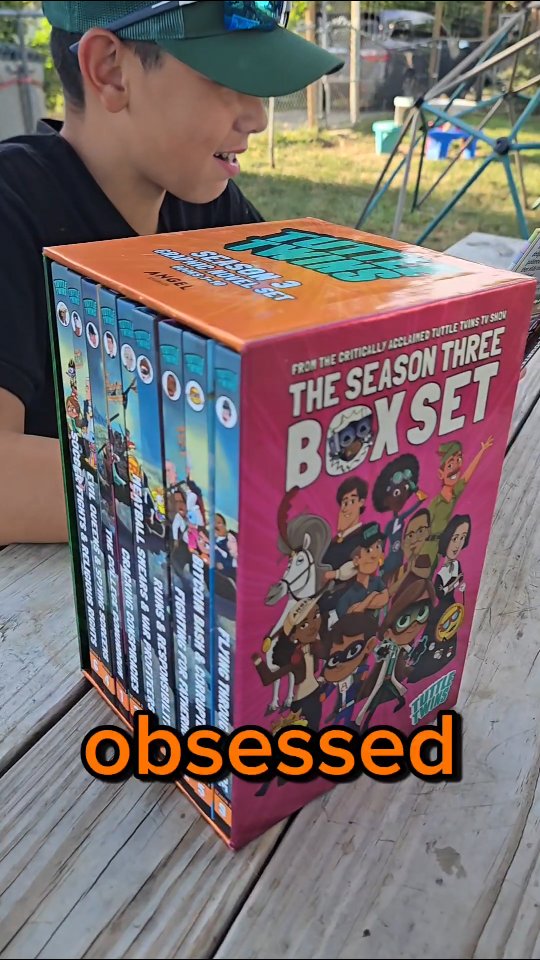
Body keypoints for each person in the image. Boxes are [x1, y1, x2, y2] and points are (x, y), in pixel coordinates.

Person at [0, 1, 343, 546]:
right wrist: (231, 499)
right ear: (111, 70)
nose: (256, 116)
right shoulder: (14, 207)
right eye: (225, 78)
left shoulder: (209, 209)